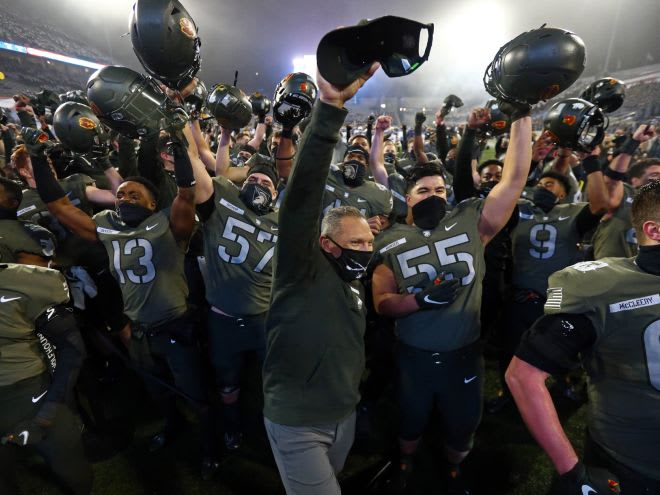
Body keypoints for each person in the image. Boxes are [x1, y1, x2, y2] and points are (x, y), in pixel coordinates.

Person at [26, 132, 219, 478]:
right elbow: (58, 207)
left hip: (175, 325)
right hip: (140, 331)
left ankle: (210, 447)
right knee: (158, 392)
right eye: (120, 194)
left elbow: (187, 195)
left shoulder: (168, 224)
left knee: (196, 394)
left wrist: (179, 151)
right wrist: (39, 158)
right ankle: (172, 427)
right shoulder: (106, 227)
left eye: (134, 194)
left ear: (150, 203)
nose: (124, 197)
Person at [371, 99, 533, 493]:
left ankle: (453, 465)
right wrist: (419, 302)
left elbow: (512, 181)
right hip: (414, 353)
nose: (435, 194)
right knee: (410, 419)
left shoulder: (470, 221)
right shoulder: (390, 239)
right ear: (406, 197)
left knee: (463, 423)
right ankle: (406, 459)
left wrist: (521, 115)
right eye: (424, 189)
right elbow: (382, 302)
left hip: (464, 350)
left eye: (440, 188)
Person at [262, 61, 379, 495]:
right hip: (297, 421)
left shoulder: (353, 279)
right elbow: (299, 202)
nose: (364, 252)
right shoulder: (300, 269)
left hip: (343, 414)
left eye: (369, 244)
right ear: (327, 244)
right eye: (356, 244)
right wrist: (329, 109)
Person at [505, 179, 660, 494]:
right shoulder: (603, 288)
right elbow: (523, 375)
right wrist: (572, 473)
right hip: (630, 464)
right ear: (655, 231)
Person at [186, 121, 280, 451]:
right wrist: (181, 119)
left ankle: (272, 427)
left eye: (265, 181)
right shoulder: (223, 196)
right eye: (251, 178)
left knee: (271, 382)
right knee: (227, 383)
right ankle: (232, 426)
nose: (256, 183)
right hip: (223, 318)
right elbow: (196, 165)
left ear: (276, 193)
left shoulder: (282, 222)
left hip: (264, 319)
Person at [0, 260, 91, 495]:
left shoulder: (24, 283)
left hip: (27, 391)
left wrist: (50, 408)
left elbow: (72, 348)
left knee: (70, 468)